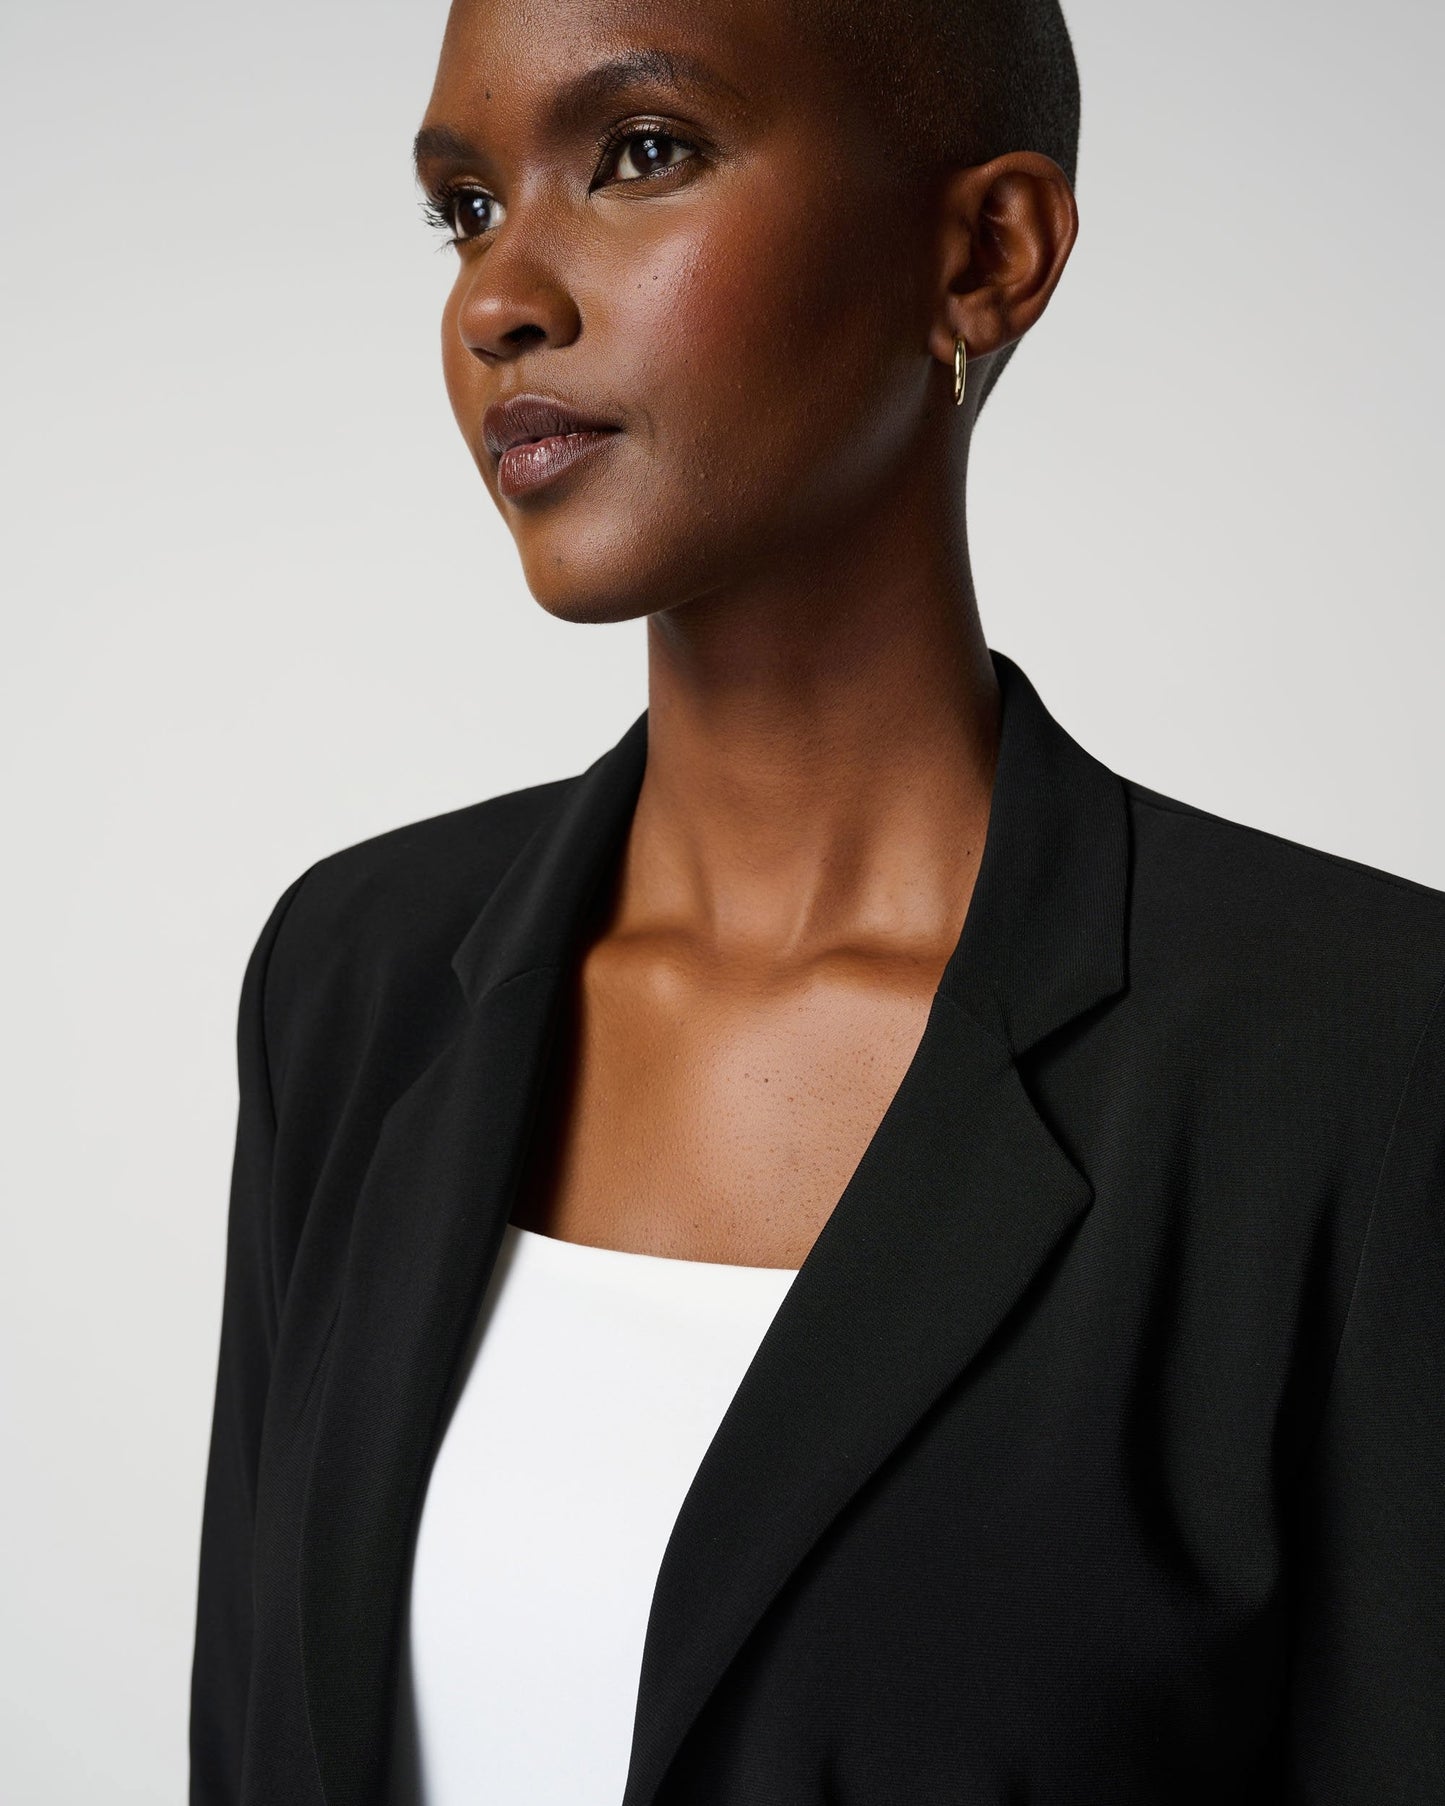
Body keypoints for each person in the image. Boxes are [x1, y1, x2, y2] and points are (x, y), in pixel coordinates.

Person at [188, 0, 1445, 1801]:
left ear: (982, 254)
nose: (495, 300)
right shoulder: (359, 978)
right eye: (464, 207)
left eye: (639, 154)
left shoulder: (1359, 1061)